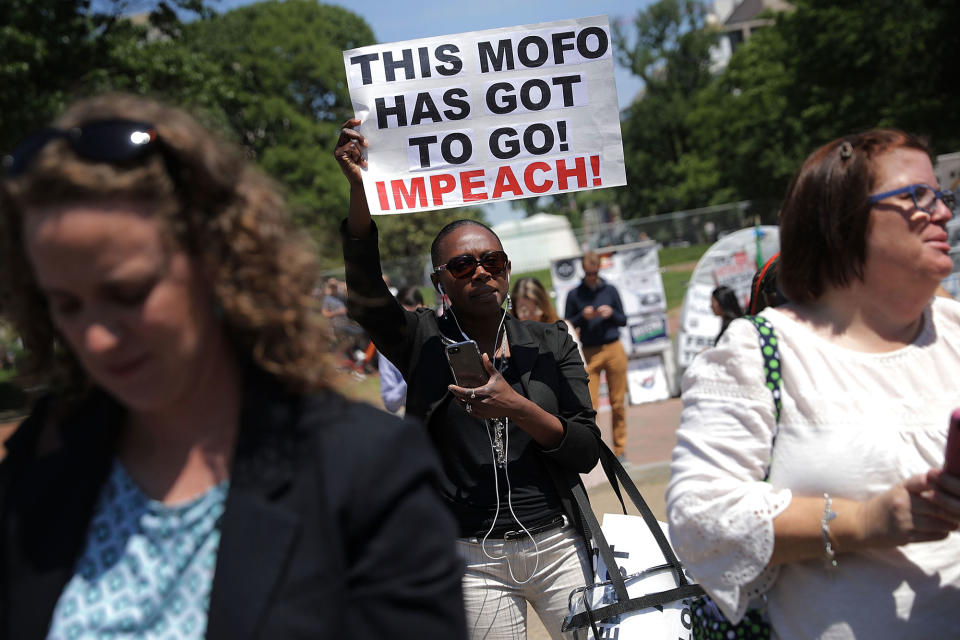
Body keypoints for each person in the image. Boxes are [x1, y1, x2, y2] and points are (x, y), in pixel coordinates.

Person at [0, 94, 466, 639]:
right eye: (66, 305)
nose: (97, 338)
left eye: (128, 293)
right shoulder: (44, 459)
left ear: (218, 264)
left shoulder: (363, 471)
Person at [667, 130, 960, 638]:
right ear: (842, 221)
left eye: (942, 196)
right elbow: (700, 518)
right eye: (916, 197)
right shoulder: (761, 351)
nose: (942, 213)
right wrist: (866, 522)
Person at [335, 118, 601, 640]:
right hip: (471, 561)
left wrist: (518, 407)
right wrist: (360, 191)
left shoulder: (550, 342)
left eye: (492, 261)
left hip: (558, 547)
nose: (480, 271)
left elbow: (586, 449)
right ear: (440, 282)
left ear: (506, 269)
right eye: (461, 265)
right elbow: (365, 291)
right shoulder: (420, 339)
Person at [563, 251, 629, 460]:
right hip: (590, 350)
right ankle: (595, 449)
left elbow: (623, 319)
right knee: (590, 405)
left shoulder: (610, 290)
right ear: (583, 270)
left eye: (595, 272)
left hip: (613, 347)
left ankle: (620, 450)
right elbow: (568, 323)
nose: (591, 276)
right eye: (588, 272)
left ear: (599, 269)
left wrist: (611, 313)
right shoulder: (575, 294)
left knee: (618, 401)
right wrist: (582, 316)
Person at [511, 276, 584, 362]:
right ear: (514, 310)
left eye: (535, 309)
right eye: (523, 310)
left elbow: (580, 368)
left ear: (544, 306)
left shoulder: (563, 330)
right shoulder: (510, 338)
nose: (529, 316)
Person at [378, 285, 423, 413]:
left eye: (416, 318)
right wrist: (412, 374)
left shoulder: (439, 338)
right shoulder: (388, 349)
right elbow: (390, 403)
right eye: (405, 320)